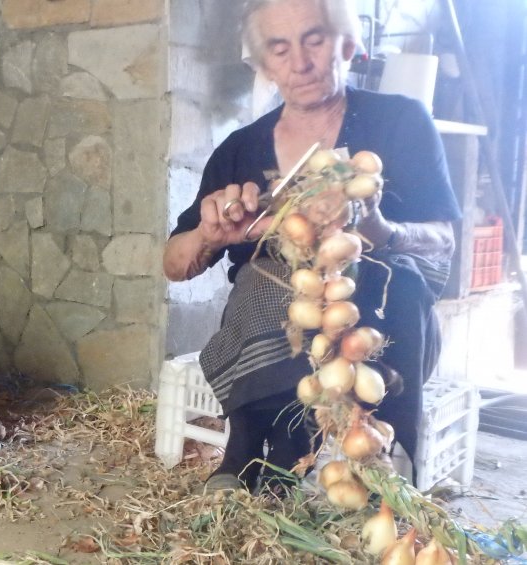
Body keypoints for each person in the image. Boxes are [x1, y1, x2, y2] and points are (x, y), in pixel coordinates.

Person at [163, 0, 461, 492]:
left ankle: (334, 457)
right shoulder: (240, 149)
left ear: (347, 44)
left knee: (371, 287)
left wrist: (380, 229)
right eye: (279, 48)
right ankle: (250, 449)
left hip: (380, 303)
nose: (299, 62)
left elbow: (443, 240)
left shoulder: (400, 122)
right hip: (267, 308)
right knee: (268, 288)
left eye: (315, 40)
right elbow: (173, 264)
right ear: (263, 64)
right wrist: (207, 235)